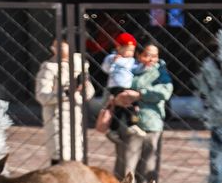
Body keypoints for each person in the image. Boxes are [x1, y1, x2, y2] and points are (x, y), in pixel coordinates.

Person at [111, 43, 173, 183]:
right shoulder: (128, 68)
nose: (151, 59)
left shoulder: (161, 73)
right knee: (126, 168)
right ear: (138, 55)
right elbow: (114, 86)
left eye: (155, 56)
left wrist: (139, 94)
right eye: (147, 55)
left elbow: (164, 92)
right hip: (129, 124)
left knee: (148, 169)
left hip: (152, 124)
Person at [35, 36, 94, 165]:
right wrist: (66, 92)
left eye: (61, 45)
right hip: (56, 116)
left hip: (76, 115)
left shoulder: (81, 65)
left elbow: (89, 93)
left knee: (77, 157)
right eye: (55, 46)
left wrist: (84, 87)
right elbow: (42, 96)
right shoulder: (49, 67)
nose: (56, 48)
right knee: (60, 156)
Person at [100, 32, 144, 138]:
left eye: (132, 51)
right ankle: (113, 129)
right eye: (129, 50)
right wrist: (113, 62)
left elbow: (136, 69)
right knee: (117, 108)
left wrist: (143, 64)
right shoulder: (111, 58)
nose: (131, 53)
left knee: (133, 107)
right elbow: (105, 69)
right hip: (116, 86)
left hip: (128, 86)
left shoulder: (131, 60)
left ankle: (133, 124)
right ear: (119, 48)